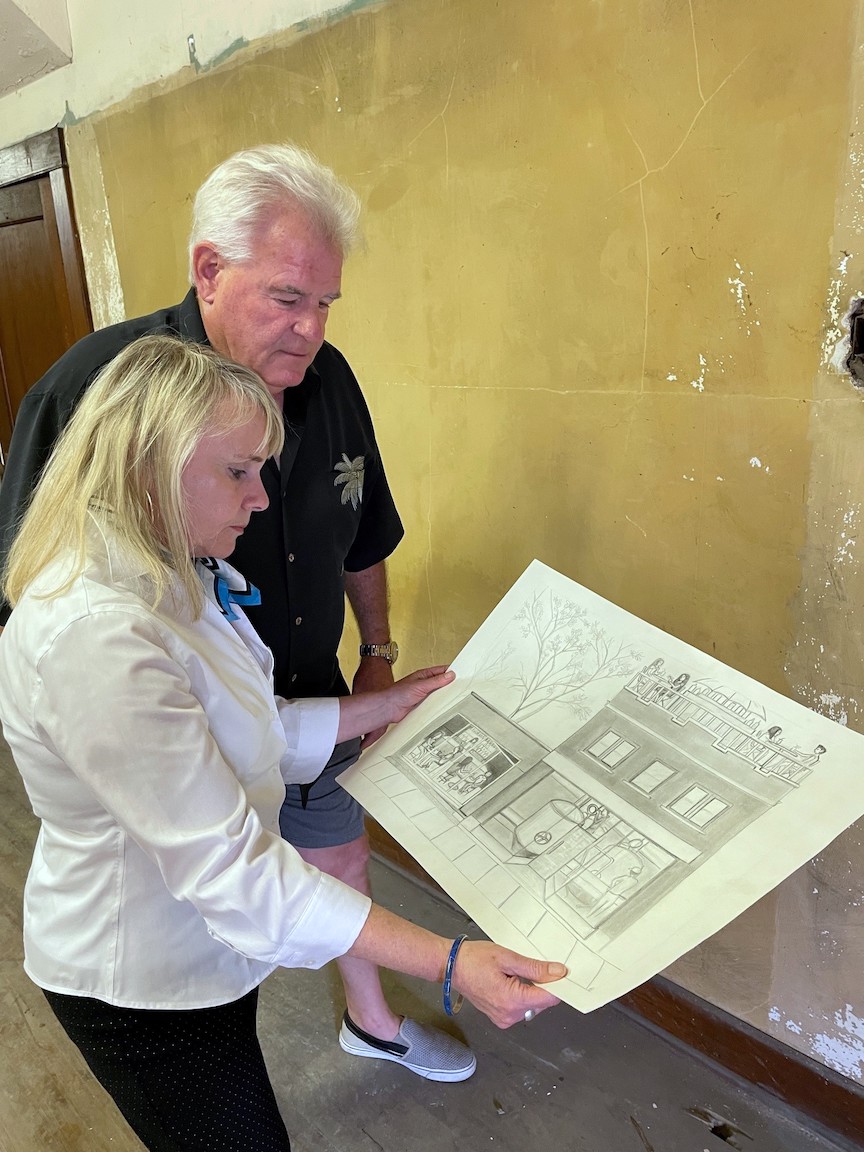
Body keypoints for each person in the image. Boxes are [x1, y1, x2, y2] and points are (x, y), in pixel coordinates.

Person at [0, 336, 566, 1152]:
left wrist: (386, 703)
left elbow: (249, 728)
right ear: (146, 468)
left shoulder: (170, 567)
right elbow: (236, 875)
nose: (261, 498)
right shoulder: (97, 637)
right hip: (141, 982)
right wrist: (448, 963)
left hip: (203, 950)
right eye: (238, 471)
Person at [0, 143, 464, 1077]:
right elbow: (39, 583)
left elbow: (363, 528)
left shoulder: (329, 381)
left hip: (304, 704)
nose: (310, 328)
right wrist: (458, 966)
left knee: (334, 864)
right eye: (289, 298)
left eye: (327, 302)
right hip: (168, 736)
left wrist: (378, 659)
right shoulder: (99, 394)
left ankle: (370, 1020)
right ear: (209, 269)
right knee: (212, 912)